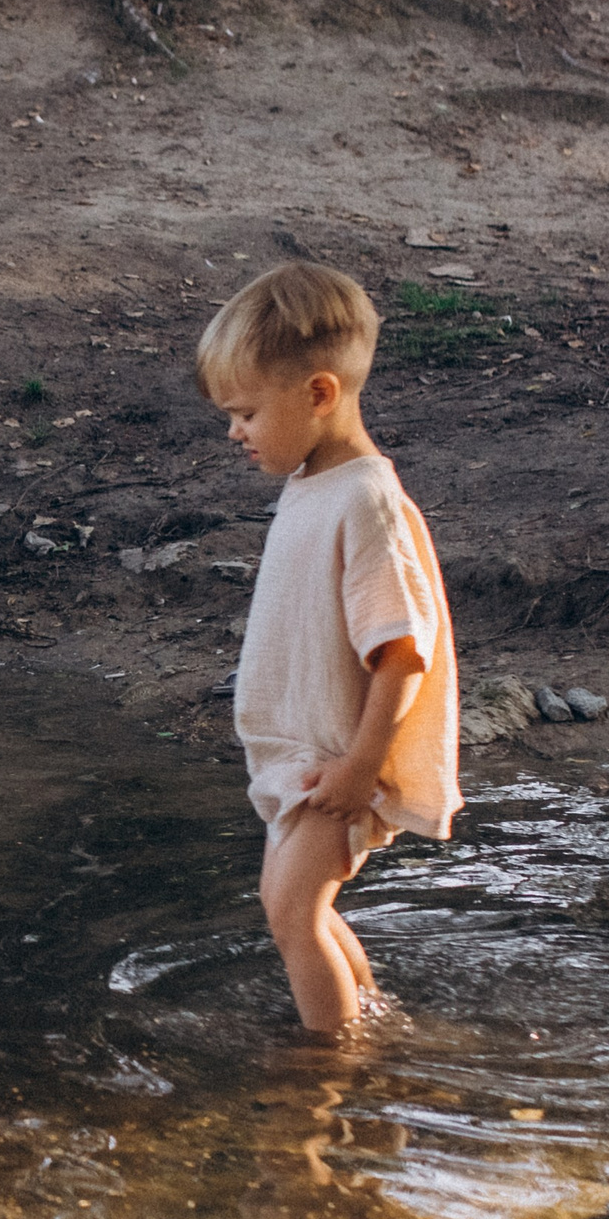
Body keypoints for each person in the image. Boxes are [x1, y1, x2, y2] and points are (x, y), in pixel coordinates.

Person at [200, 262, 460, 1034]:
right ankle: (371, 1016)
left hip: (337, 760)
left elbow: (403, 649)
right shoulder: (316, 482)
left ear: (319, 394)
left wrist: (360, 765)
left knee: (295, 913)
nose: (234, 432)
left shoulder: (367, 501)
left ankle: (329, 1067)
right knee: (286, 906)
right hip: (302, 756)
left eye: (247, 413)